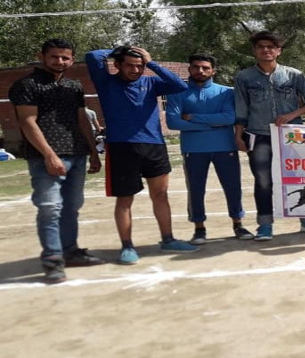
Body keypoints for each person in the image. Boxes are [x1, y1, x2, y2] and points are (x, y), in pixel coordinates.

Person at [85, 45, 198, 264]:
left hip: (154, 145)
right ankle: (127, 246)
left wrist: (151, 61)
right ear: (117, 64)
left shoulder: (151, 82)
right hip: (122, 147)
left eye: (140, 66)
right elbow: (91, 56)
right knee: (125, 199)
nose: (136, 70)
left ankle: (168, 239)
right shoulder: (106, 82)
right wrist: (121, 48)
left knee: (161, 195)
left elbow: (178, 85)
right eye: (130, 65)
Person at [9, 39, 105, 283]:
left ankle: (70, 251)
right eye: (54, 56)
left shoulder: (74, 87)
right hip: (45, 158)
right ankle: (53, 260)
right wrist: (49, 155)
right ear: (41, 56)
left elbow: (81, 118)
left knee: (72, 207)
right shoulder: (26, 85)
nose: (60, 61)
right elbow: (27, 122)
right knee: (50, 208)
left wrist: (93, 150)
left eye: (65, 57)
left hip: (77, 153)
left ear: (72, 60)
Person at [234, 30, 305, 240]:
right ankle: (265, 225)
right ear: (254, 51)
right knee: (263, 181)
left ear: (278, 51)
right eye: (261, 47)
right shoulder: (244, 77)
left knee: (300, 177)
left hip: (293, 135)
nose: (266, 50)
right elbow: (241, 109)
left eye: (271, 46)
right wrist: (238, 135)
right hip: (259, 135)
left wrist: (292, 114)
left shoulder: (294, 74)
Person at [165, 54, 253, 245]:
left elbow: (229, 118)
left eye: (205, 67)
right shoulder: (177, 93)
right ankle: (199, 228)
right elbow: (173, 122)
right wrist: (211, 124)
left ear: (213, 70)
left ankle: (238, 223)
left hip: (225, 147)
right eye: (196, 67)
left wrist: (193, 117)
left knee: (232, 187)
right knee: (196, 189)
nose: (200, 71)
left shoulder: (225, 92)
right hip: (193, 149)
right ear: (189, 69)